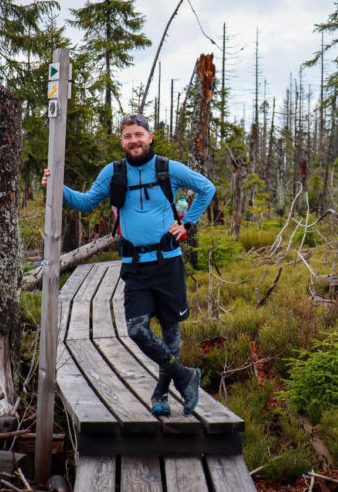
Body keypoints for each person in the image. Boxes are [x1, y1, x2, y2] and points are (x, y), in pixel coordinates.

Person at [42, 113, 215, 416]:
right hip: (135, 267)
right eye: (127, 136)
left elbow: (207, 189)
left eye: (139, 134)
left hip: (168, 263)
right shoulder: (113, 172)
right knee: (136, 330)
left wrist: (186, 222)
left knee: (171, 335)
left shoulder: (168, 169)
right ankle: (186, 376)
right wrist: (56, 187)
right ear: (121, 141)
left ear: (150, 137)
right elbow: (85, 202)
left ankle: (160, 395)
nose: (134, 140)